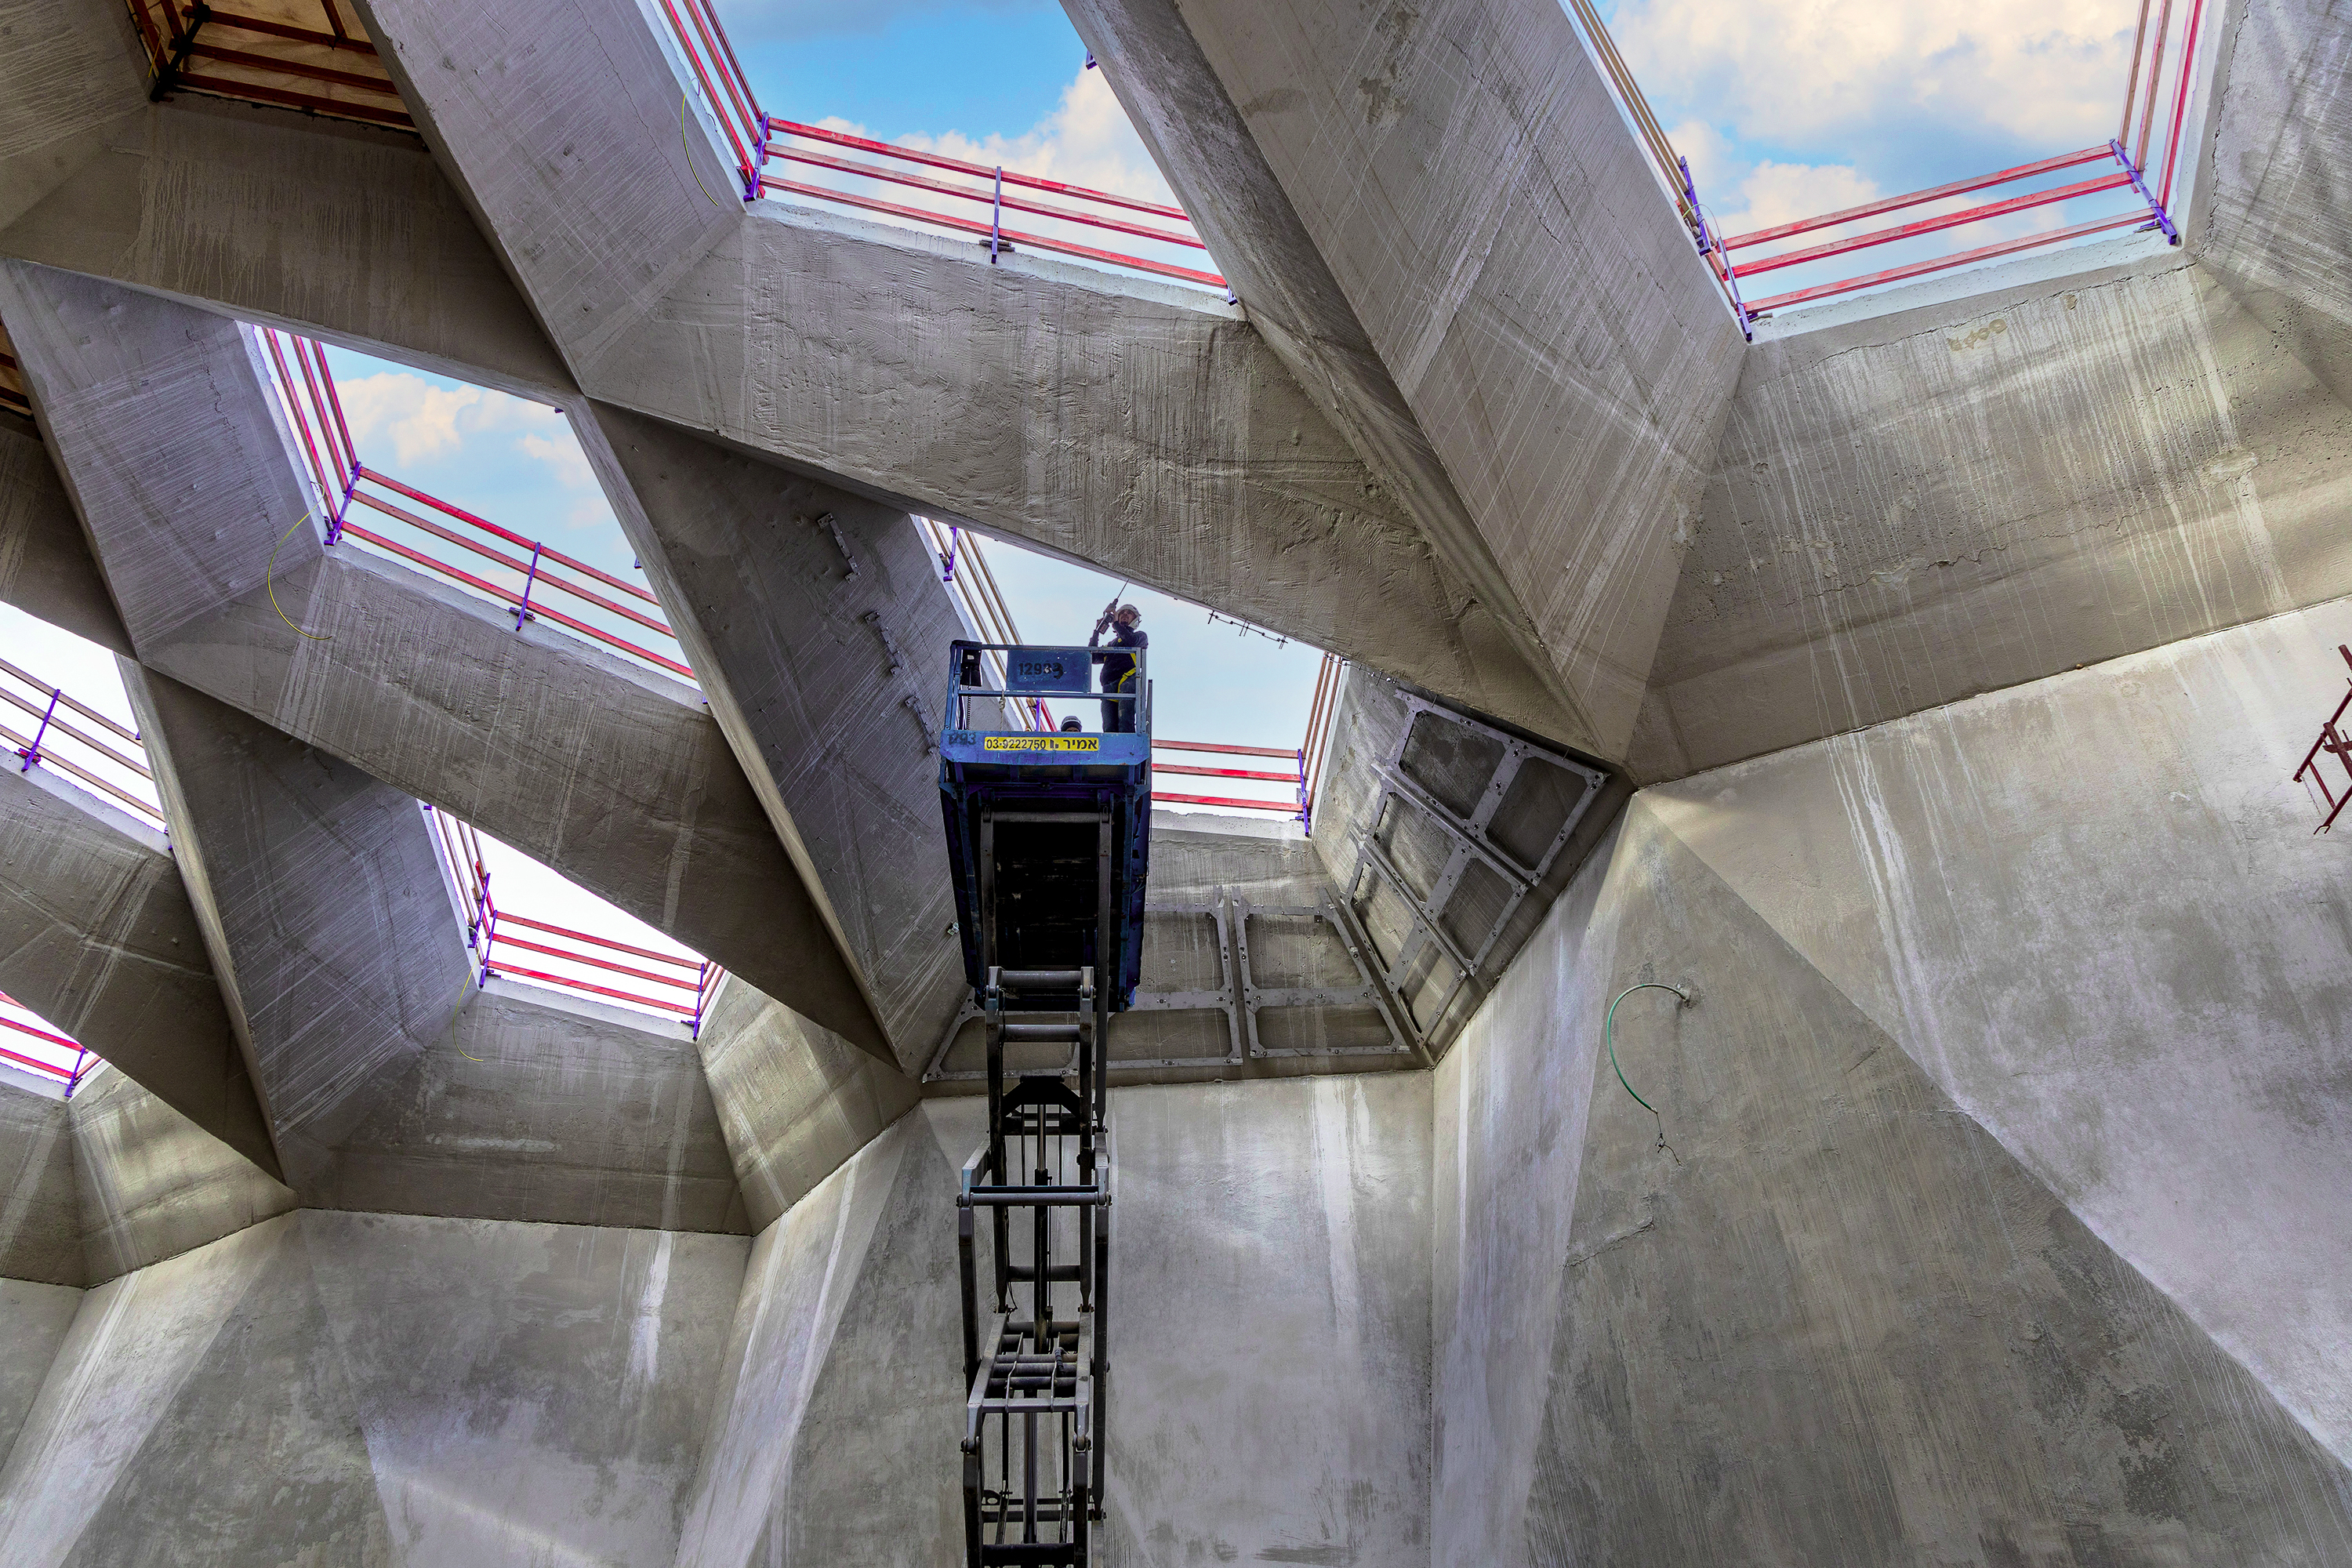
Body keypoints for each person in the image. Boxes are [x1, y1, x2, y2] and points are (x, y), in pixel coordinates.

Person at [1090, 602, 1146, 733]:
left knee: (1125, 724)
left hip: (1128, 682)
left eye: (1129, 613)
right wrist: (1097, 631)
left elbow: (1130, 641)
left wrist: (1115, 622)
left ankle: (1128, 751)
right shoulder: (1112, 645)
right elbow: (1092, 657)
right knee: (1109, 728)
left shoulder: (1140, 636)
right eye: (1121, 613)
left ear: (1135, 620)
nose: (1125, 615)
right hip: (1109, 687)